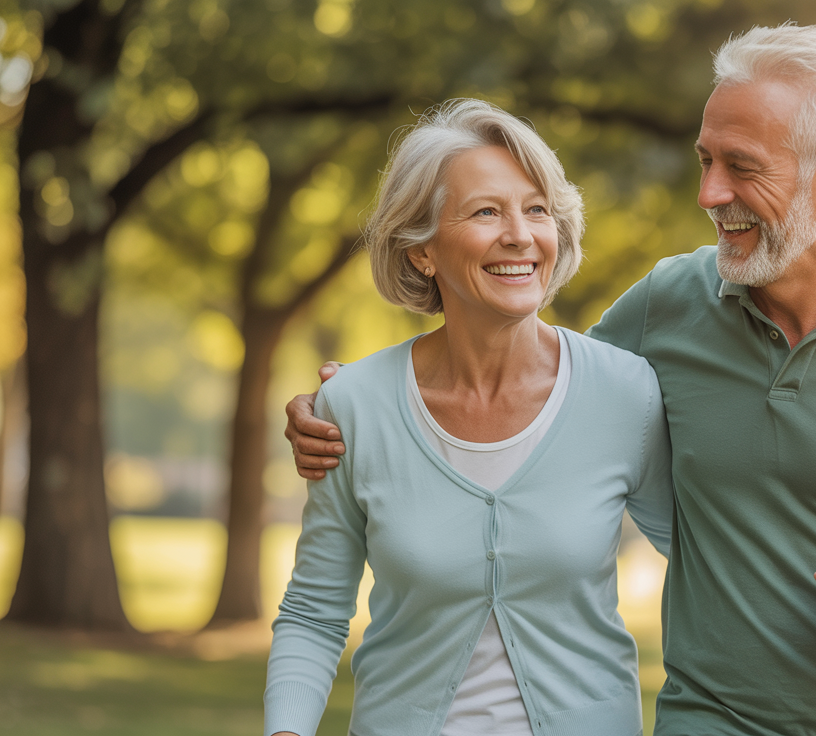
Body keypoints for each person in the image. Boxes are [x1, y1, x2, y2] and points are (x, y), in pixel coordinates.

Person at [286, 24, 816, 736]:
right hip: (709, 718)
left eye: (742, 168)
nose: (709, 195)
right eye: (705, 160)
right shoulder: (670, 303)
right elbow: (531, 390)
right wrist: (360, 409)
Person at [264, 99, 673, 736]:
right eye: (486, 211)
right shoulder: (354, 406)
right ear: (422, 250)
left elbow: (711, 559)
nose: (520, 235)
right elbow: (315, 611)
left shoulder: (624, 393)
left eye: (536, 209)